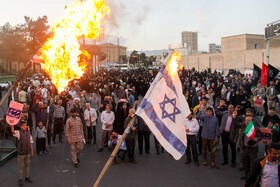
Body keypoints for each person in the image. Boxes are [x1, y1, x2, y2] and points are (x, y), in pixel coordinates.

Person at [233, 115, 262, 180]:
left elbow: (260, 137)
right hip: (245, 147)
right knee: (245, 163)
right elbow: (237, 124)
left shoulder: (256, 128)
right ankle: (246, 175)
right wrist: (234, 117)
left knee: (252, 164)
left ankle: (252, 177)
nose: (246, 122)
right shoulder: (243, 126)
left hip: (253, 148)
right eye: (246, 120)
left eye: (248, 120)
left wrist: (257, 138)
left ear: (251, 121)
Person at [11, 121, 33, 186]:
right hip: (21, 153)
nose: (25, 126)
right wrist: (12, 124)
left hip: (27, 152)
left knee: (27, 165)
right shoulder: (18, 133)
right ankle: (20, 179)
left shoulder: (28, 133)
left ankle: (27, 177)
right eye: (23, 125)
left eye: (25, 125)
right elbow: (13, 131)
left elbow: (30, 141)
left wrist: (31, 150)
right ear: (20, 127)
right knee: (20, 167)